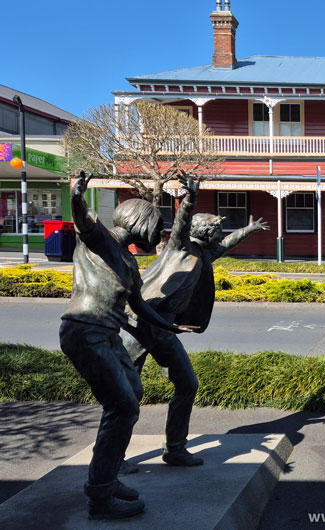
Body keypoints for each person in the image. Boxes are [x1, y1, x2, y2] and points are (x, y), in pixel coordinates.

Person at [59, 171, 188, 520]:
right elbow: (84, 221)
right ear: (139, 222)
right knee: (123, 407)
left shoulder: (130, 263)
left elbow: (140, 305)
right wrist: (76, 194)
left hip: (107, 334)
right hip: (85, 329)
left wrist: (170, 327)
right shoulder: (99, 241)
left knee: (132, 392)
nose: (158, 233)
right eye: (156, 225)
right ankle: (100, 497)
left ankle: (108, 477)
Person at [121, 174, 267, 468]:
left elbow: (226, 244)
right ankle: (113, 457)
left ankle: (175, 448)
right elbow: (181, 223)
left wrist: (248, 230)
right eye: (218, 230)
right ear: (205, 231)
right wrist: (190, 198)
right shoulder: (180, 246)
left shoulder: (204, 252)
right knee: (125, 395)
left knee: (187, 384)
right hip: (139, 322)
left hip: (165, 329)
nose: (220, 234)